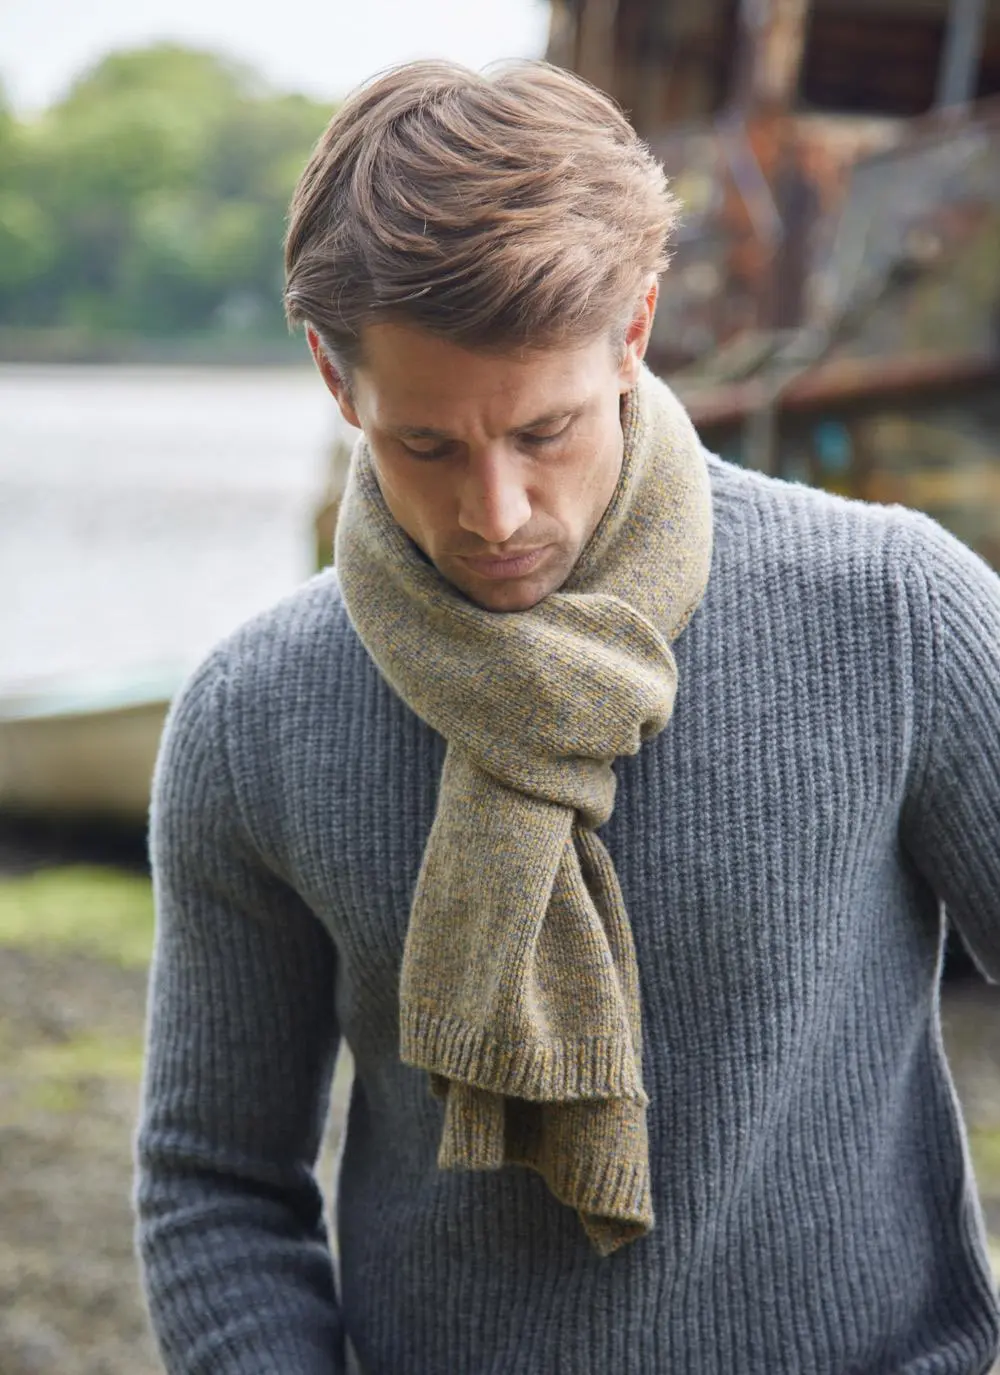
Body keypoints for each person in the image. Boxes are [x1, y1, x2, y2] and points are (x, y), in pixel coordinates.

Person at [134, 59, 1000, 1375]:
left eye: (545, 431)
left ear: (636, 326)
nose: (496, 513)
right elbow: (216, 1178)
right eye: (427, 445)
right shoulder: (253, 720)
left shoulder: (893, 616)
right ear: (334, 376)